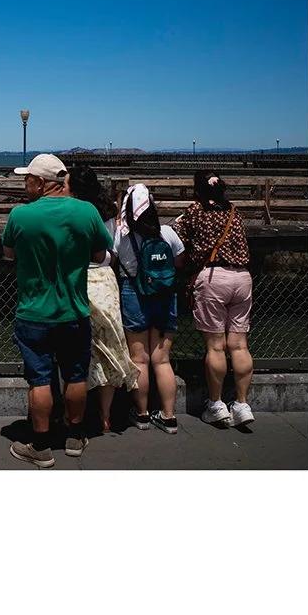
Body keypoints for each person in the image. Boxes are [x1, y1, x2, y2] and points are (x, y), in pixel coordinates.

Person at [1, 153, 113, 468]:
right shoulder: (86, 211)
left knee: (40, 379)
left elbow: (9, 253)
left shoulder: (20, 216)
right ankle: (74, 436)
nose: (24, 184)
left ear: (40, 182)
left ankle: (40, 445)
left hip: (34, 312)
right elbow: (100, 252)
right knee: (75, 375)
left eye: (27, 179)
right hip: (74, 311)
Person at [173, 170, 256, 429]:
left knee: (216, 347)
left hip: (212, 279)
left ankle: (216, 404)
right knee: (239, 345)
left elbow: (177, 237)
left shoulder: (195, 211)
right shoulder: (234, 211)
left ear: (197, 191)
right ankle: (242, 404)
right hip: (242, 277)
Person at [112, 182, 186, 432]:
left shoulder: (122, 234)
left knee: (139, 359)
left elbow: (113, 259)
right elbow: (179, 260)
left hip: (133, 293)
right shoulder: (166, 232)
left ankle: (142, 414)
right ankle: (168, 416)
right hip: (165, 295)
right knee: (162, 360)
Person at [68, 163, 134, 434]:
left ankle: (74, 415)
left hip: (78, 278)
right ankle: (106, 415)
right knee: (109, 346)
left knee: (76, 350)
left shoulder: (73, 212)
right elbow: (112, 250)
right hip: (105, 279)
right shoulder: (108, 211)